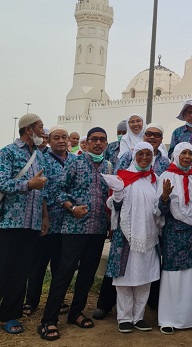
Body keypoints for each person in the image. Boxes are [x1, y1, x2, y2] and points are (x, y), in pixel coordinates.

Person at [38, 127, 112, 341]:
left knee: (88, 274)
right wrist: (72, 208)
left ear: (106, 144)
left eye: (102, 140)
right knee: (64, 273)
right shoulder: (74, 162)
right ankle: (48, 320)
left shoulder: (108, 166)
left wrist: (108, 223)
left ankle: (76, 313)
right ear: (86, 143)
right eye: (94, 139)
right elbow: (57, 191)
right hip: (74, 228)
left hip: (97, 230)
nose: (98, 143)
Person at [0, 113, 48, 335]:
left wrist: (44, 217)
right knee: (5, 268)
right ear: (29, 130)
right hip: (10, 223)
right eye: (40, 127)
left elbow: (43, 189)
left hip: (31, 223)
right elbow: (2, 183)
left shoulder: (38, 155)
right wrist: (28, 184)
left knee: (21, 272)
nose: (43, 131)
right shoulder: (8, 152)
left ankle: (9, 315)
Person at [105, 142, 160, 333]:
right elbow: (115, 206)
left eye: (148, 154)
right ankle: (124, 317)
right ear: (134, 155)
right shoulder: (123, 178)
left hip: (148, 236)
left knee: (145, 277)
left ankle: (139, 317)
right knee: (125, 278)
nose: (144, 158)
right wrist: (118, 195)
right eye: (141, 154)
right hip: (127, 236)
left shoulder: (155, 179)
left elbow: (159, 207)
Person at [156, 142, 192, 334]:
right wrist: (164, 197)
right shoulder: (166, 176)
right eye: (183, 153)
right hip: (174, 234)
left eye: (190, 154)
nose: (187, 157)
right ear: (176, 155)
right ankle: (169, 318)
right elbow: (158, 211)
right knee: (174, 277)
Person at [23, 125, 76, 318]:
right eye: (56, 138)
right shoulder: (41, 159)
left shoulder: (75, 161)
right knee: (39, 263)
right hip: (48, 220)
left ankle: (58, 299)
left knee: (60, 264)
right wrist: (45, 216)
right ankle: (31, 301)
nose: (61, 141)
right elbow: (41, 191)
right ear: (49, 140)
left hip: (68, 222)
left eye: (64, 137)